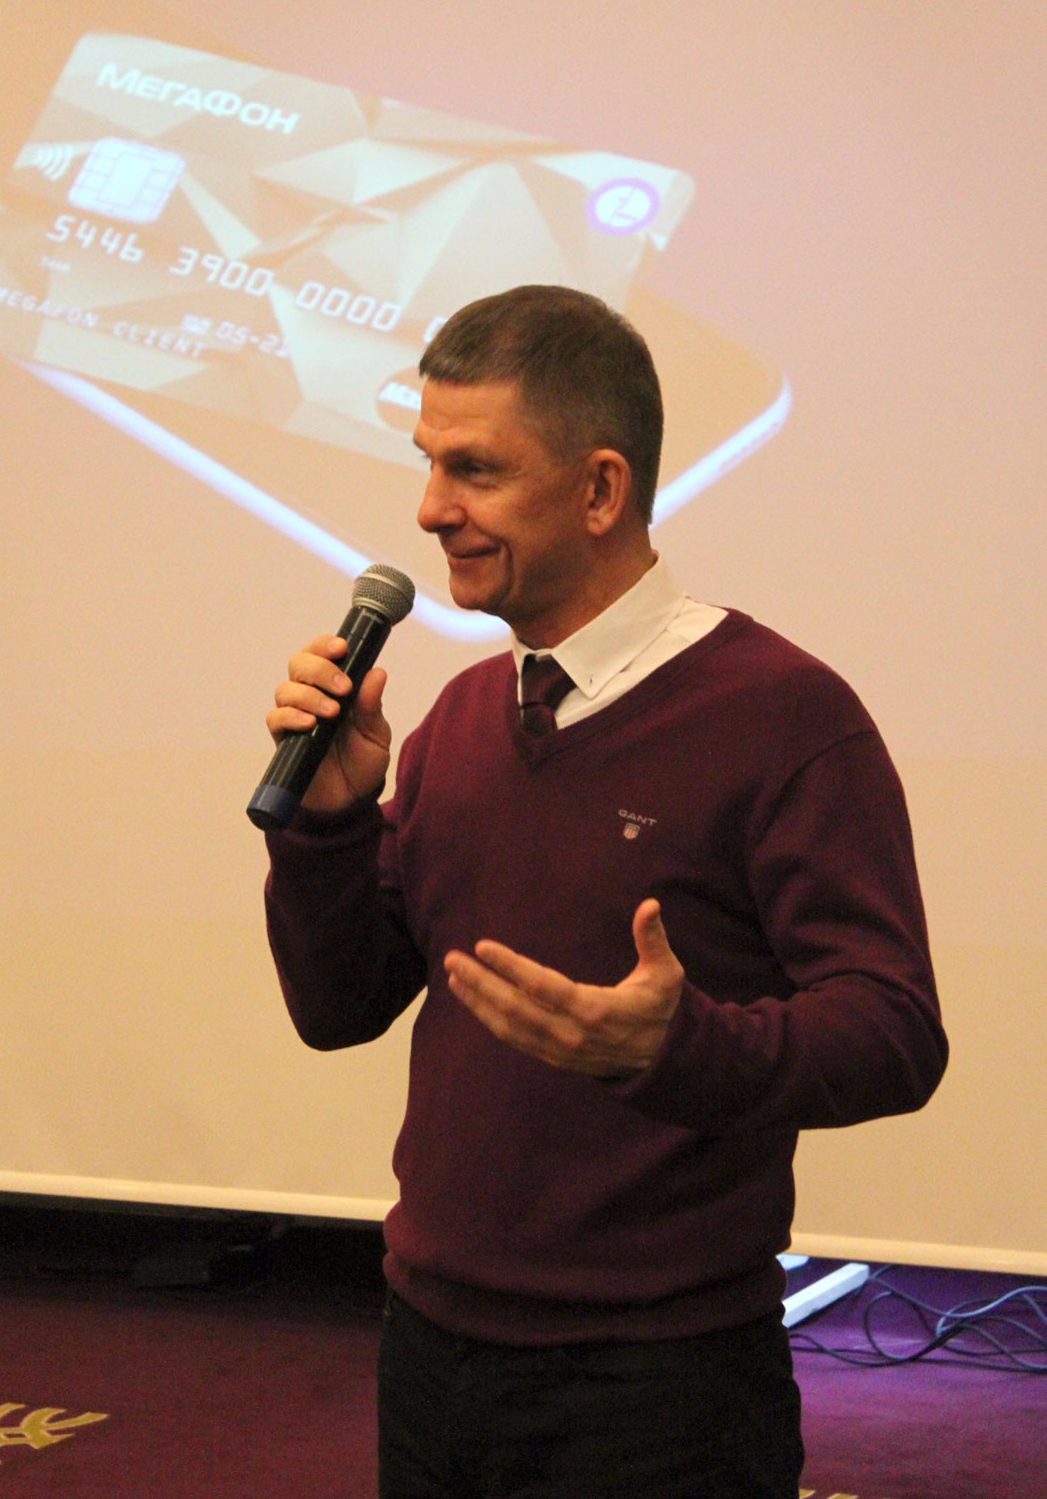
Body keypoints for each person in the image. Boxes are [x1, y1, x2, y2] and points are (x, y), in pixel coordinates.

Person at [261, 285, 948, 1499]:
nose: (429, 509)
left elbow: (894, 1032)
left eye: (474, 470)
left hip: (659, 1382)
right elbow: (337, 1007)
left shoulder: (783, 715)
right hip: (428, 1345)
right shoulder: (459, 718)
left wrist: (678, 1048)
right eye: (427, 463)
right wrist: (326, 825)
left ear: (598, 489)